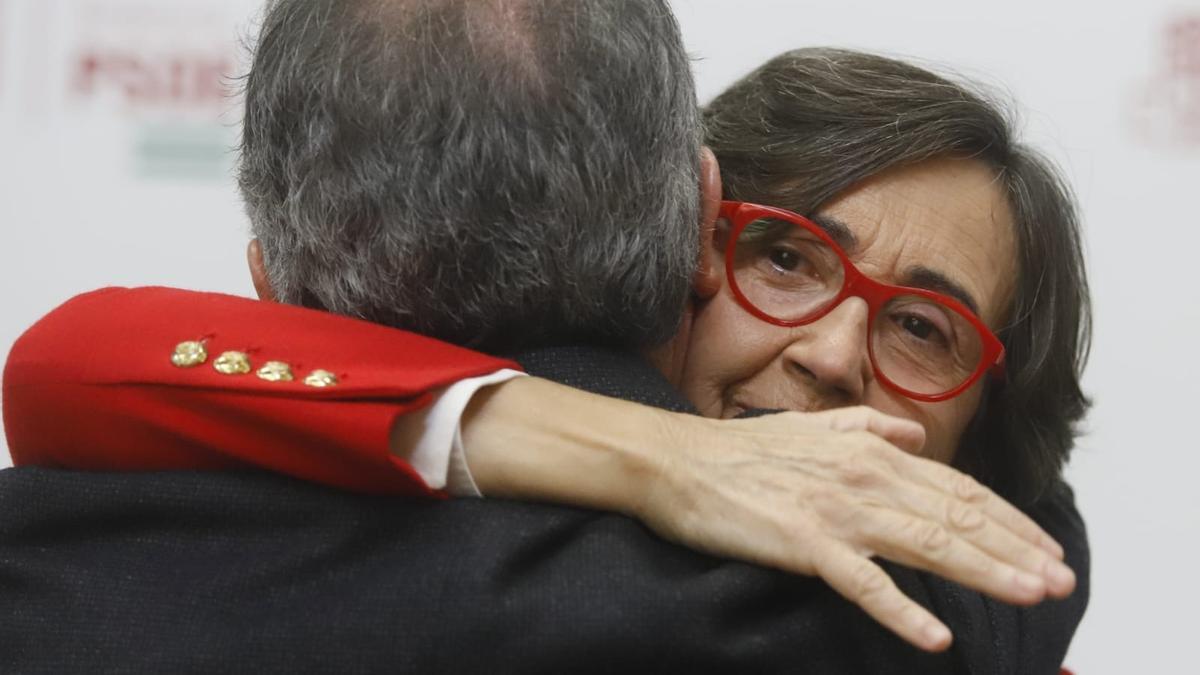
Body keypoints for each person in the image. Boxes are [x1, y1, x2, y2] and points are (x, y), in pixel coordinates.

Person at [0, 0, 1087, 671]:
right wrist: (664, 453)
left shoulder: (57, 541)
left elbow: (68, 362)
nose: (835, 354)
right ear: (690, 240)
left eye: (924, 328)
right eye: (789, 257)